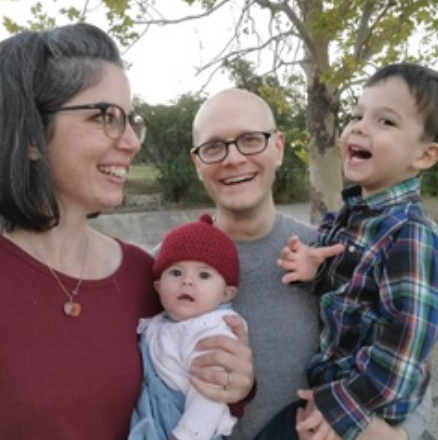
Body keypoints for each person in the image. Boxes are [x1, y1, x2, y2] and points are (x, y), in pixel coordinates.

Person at [0, 23, 253, 440]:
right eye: (105, 117)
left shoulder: (145, 275)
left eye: (131, 119)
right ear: (31, 135)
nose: (133, 142)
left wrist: (231, 382)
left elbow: (181, 386)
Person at [189, 87, 433, 440]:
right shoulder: (169, 268)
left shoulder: (330, 252)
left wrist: (390, 435)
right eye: (213, 146)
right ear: (197, 162)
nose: (233, 158)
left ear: (278, 147)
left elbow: (409, 364)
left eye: (251, 140)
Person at [262, 62, 438, 440]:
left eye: (385, 121)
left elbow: (405, 345)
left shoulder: (410, 233)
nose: (359, 127)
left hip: (365, 405)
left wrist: (344, 406)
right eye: (357, 115)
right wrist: (315, 272)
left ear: (423, 156)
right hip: (334, 390)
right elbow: (354, 291)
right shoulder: (352, 214)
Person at [130, 213, 243, 440]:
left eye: (204, 275)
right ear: (158, 287)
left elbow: (210, 393)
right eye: (176, 272)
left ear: (226, 293)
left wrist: (187, 435)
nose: (187, 281)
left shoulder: (213, 331)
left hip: (187, 425)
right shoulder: (161, 321)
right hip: (152, 417)